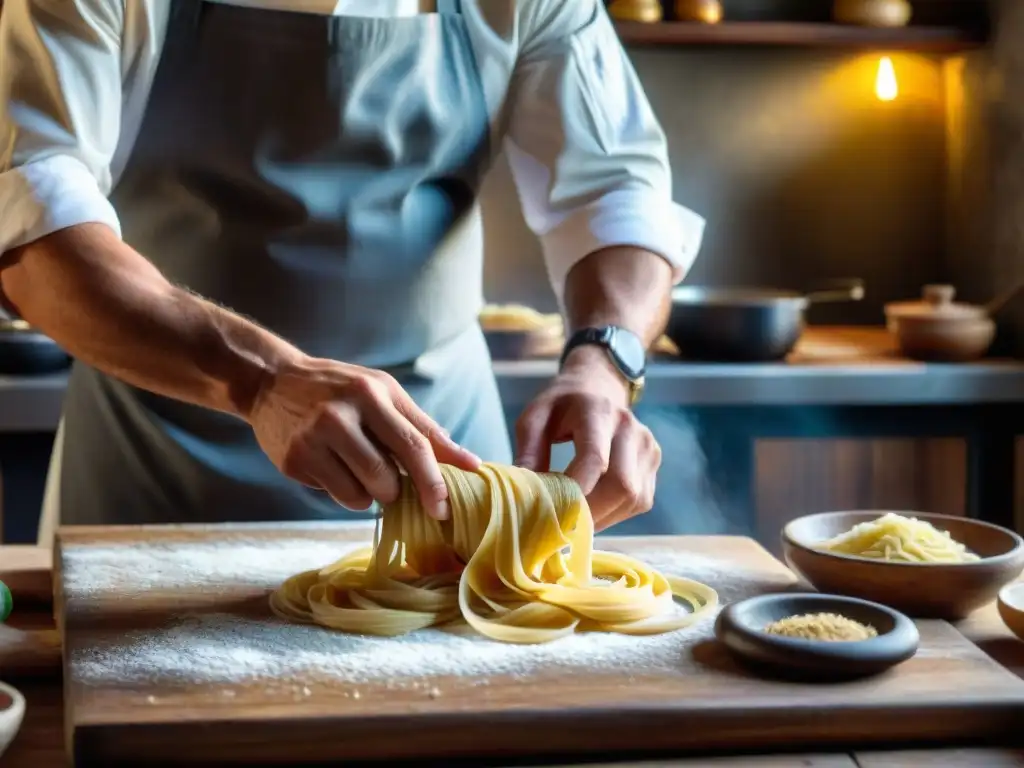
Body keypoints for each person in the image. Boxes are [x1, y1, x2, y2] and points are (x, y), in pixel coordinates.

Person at [0, 0, 705, 538]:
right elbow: (32, 223)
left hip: (445, 473)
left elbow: (615, 189)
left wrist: (604, 364)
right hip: (158, 471)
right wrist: (262, 381)